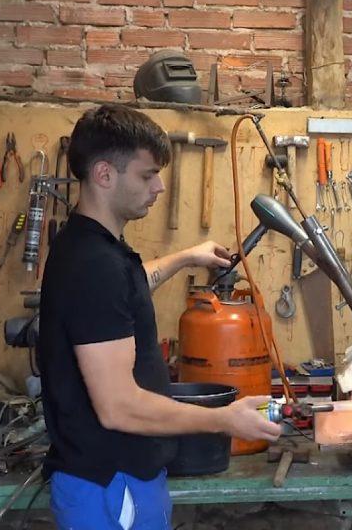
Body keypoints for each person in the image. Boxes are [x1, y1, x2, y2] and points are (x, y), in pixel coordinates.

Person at [38, 104, 281, 530]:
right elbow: (118, 407)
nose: (161, 187)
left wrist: (186, 257)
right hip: (110, 486)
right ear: (104, 175)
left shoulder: (94, 248)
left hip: (119, 478)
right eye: (147, 175)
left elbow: (127, 287)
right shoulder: (94, 264)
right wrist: (224, 419)